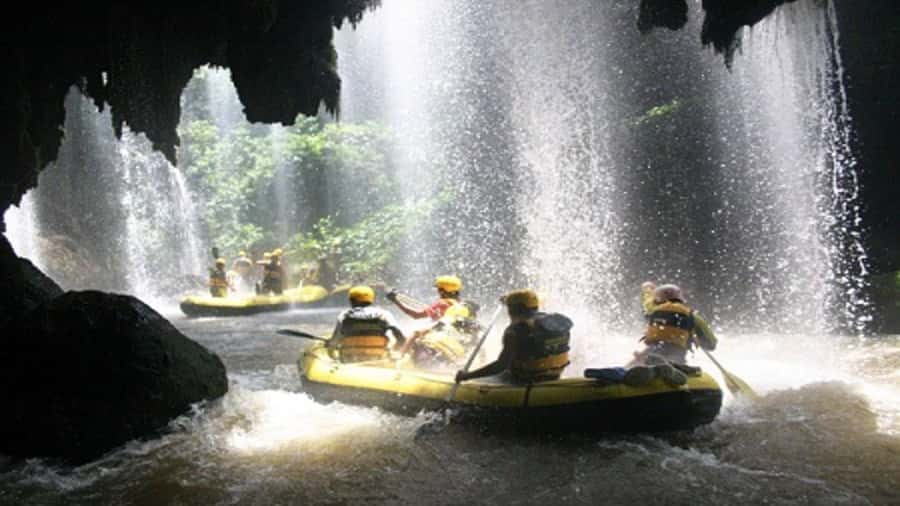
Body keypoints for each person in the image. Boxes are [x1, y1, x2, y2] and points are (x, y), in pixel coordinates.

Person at [455, 289, 573, 384]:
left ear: (514, 309)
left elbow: (501, 365)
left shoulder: (514, 331)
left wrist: (467, 376)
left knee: (480, 380)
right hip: (554, 375)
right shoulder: (555, 321)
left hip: (526, 379)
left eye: (509, 307)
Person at [628, 282, 718, 367]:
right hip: (677, 359)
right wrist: (697, 339)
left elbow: (647, 300)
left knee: (650, 354)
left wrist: (647, 288)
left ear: (658, 299)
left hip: (651, 353)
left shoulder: (653, 309)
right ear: (680, 299)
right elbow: (711, 344)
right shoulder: (692, 316)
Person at [328, 285, 406, 363]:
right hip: (378, 358)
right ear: (371, 300)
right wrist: (393, 350)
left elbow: (334, 342)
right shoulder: (384, 314)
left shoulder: (344, 315)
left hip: (350, 359)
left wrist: (331, 353)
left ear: (351, 300)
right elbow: (401, 338)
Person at [387, 275, 464, 321]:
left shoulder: (441, 304)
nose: (437, 291)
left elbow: (416, 315)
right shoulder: (461, 304)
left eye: (439, 289)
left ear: (442, 291)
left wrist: (395, 301)